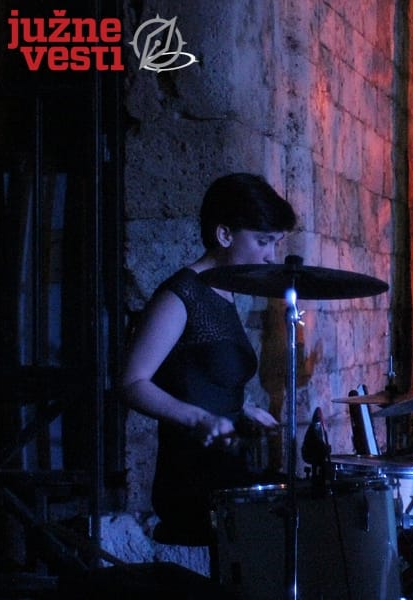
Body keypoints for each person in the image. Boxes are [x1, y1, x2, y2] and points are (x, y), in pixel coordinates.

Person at [119, 172, 297, 544]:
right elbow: (132, 382)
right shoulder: (180, 296)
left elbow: (199, 375)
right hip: (193, 477)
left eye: (275, 243)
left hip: (229, 465)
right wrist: (199, 418)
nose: (271, 255)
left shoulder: (226, 292)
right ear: (224, 234)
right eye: (263, 241)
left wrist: (243, 409)